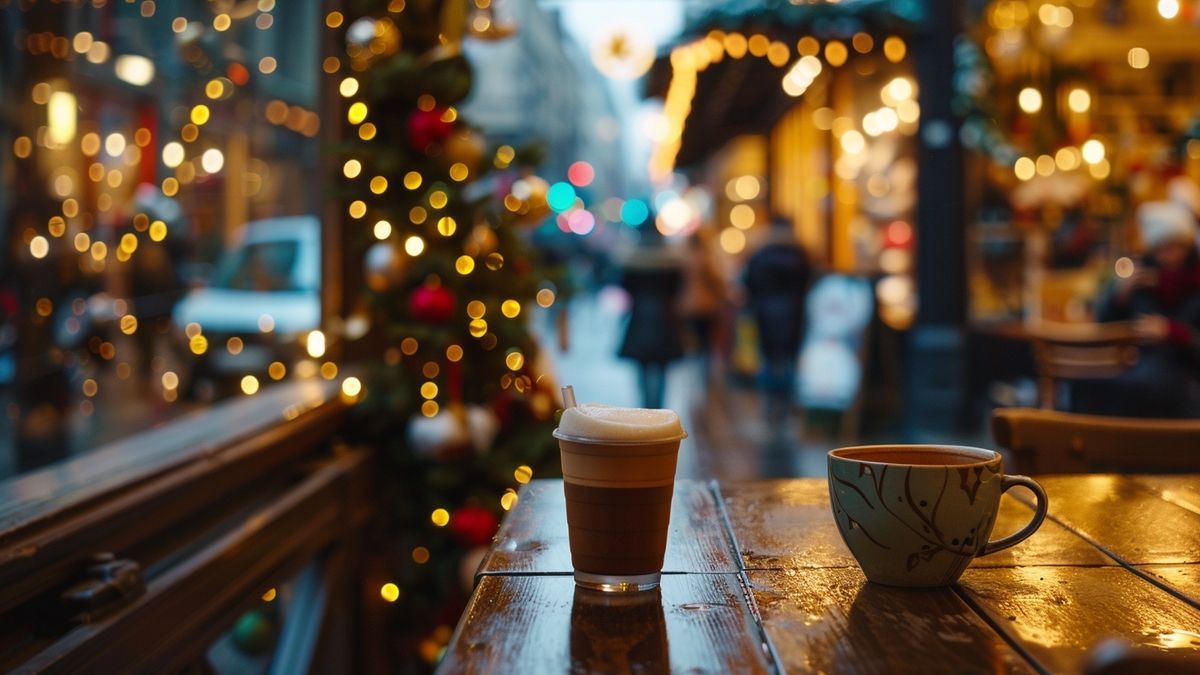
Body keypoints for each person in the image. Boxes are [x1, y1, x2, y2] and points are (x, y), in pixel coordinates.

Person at [1089, 201, 1200, 417]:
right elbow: (1101, 324)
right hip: (1140, 372)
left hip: (1187, 380)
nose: (1171, 255)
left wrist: (1173, 332)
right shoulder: (1142, 280)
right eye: (1163, 249)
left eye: (1177, 247)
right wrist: (1120, 294)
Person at [743, 217, 812, 426]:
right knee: (789, 359)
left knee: (769, 359)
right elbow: (808, 281)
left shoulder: (761, 255)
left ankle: (769, 405)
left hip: (765, 313)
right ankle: (787, 404)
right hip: (793, 314)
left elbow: (749, 282)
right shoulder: (800, 255)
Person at [618, 225, 684, 410]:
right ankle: (658, 410)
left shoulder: (632, 259)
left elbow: (625, 285)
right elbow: (677, 289)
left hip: (639, 318)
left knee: (641, 367)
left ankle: (645, 407)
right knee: (662, 370)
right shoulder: (671, 260)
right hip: (665, 319)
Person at [677, 229, 730, 380]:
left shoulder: (682, 259)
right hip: (707, 307)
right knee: (707, 343)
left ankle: (695, 373)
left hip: (686, 307)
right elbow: (717, 283)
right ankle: (704, 375)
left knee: (692, 342)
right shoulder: (705, 259)